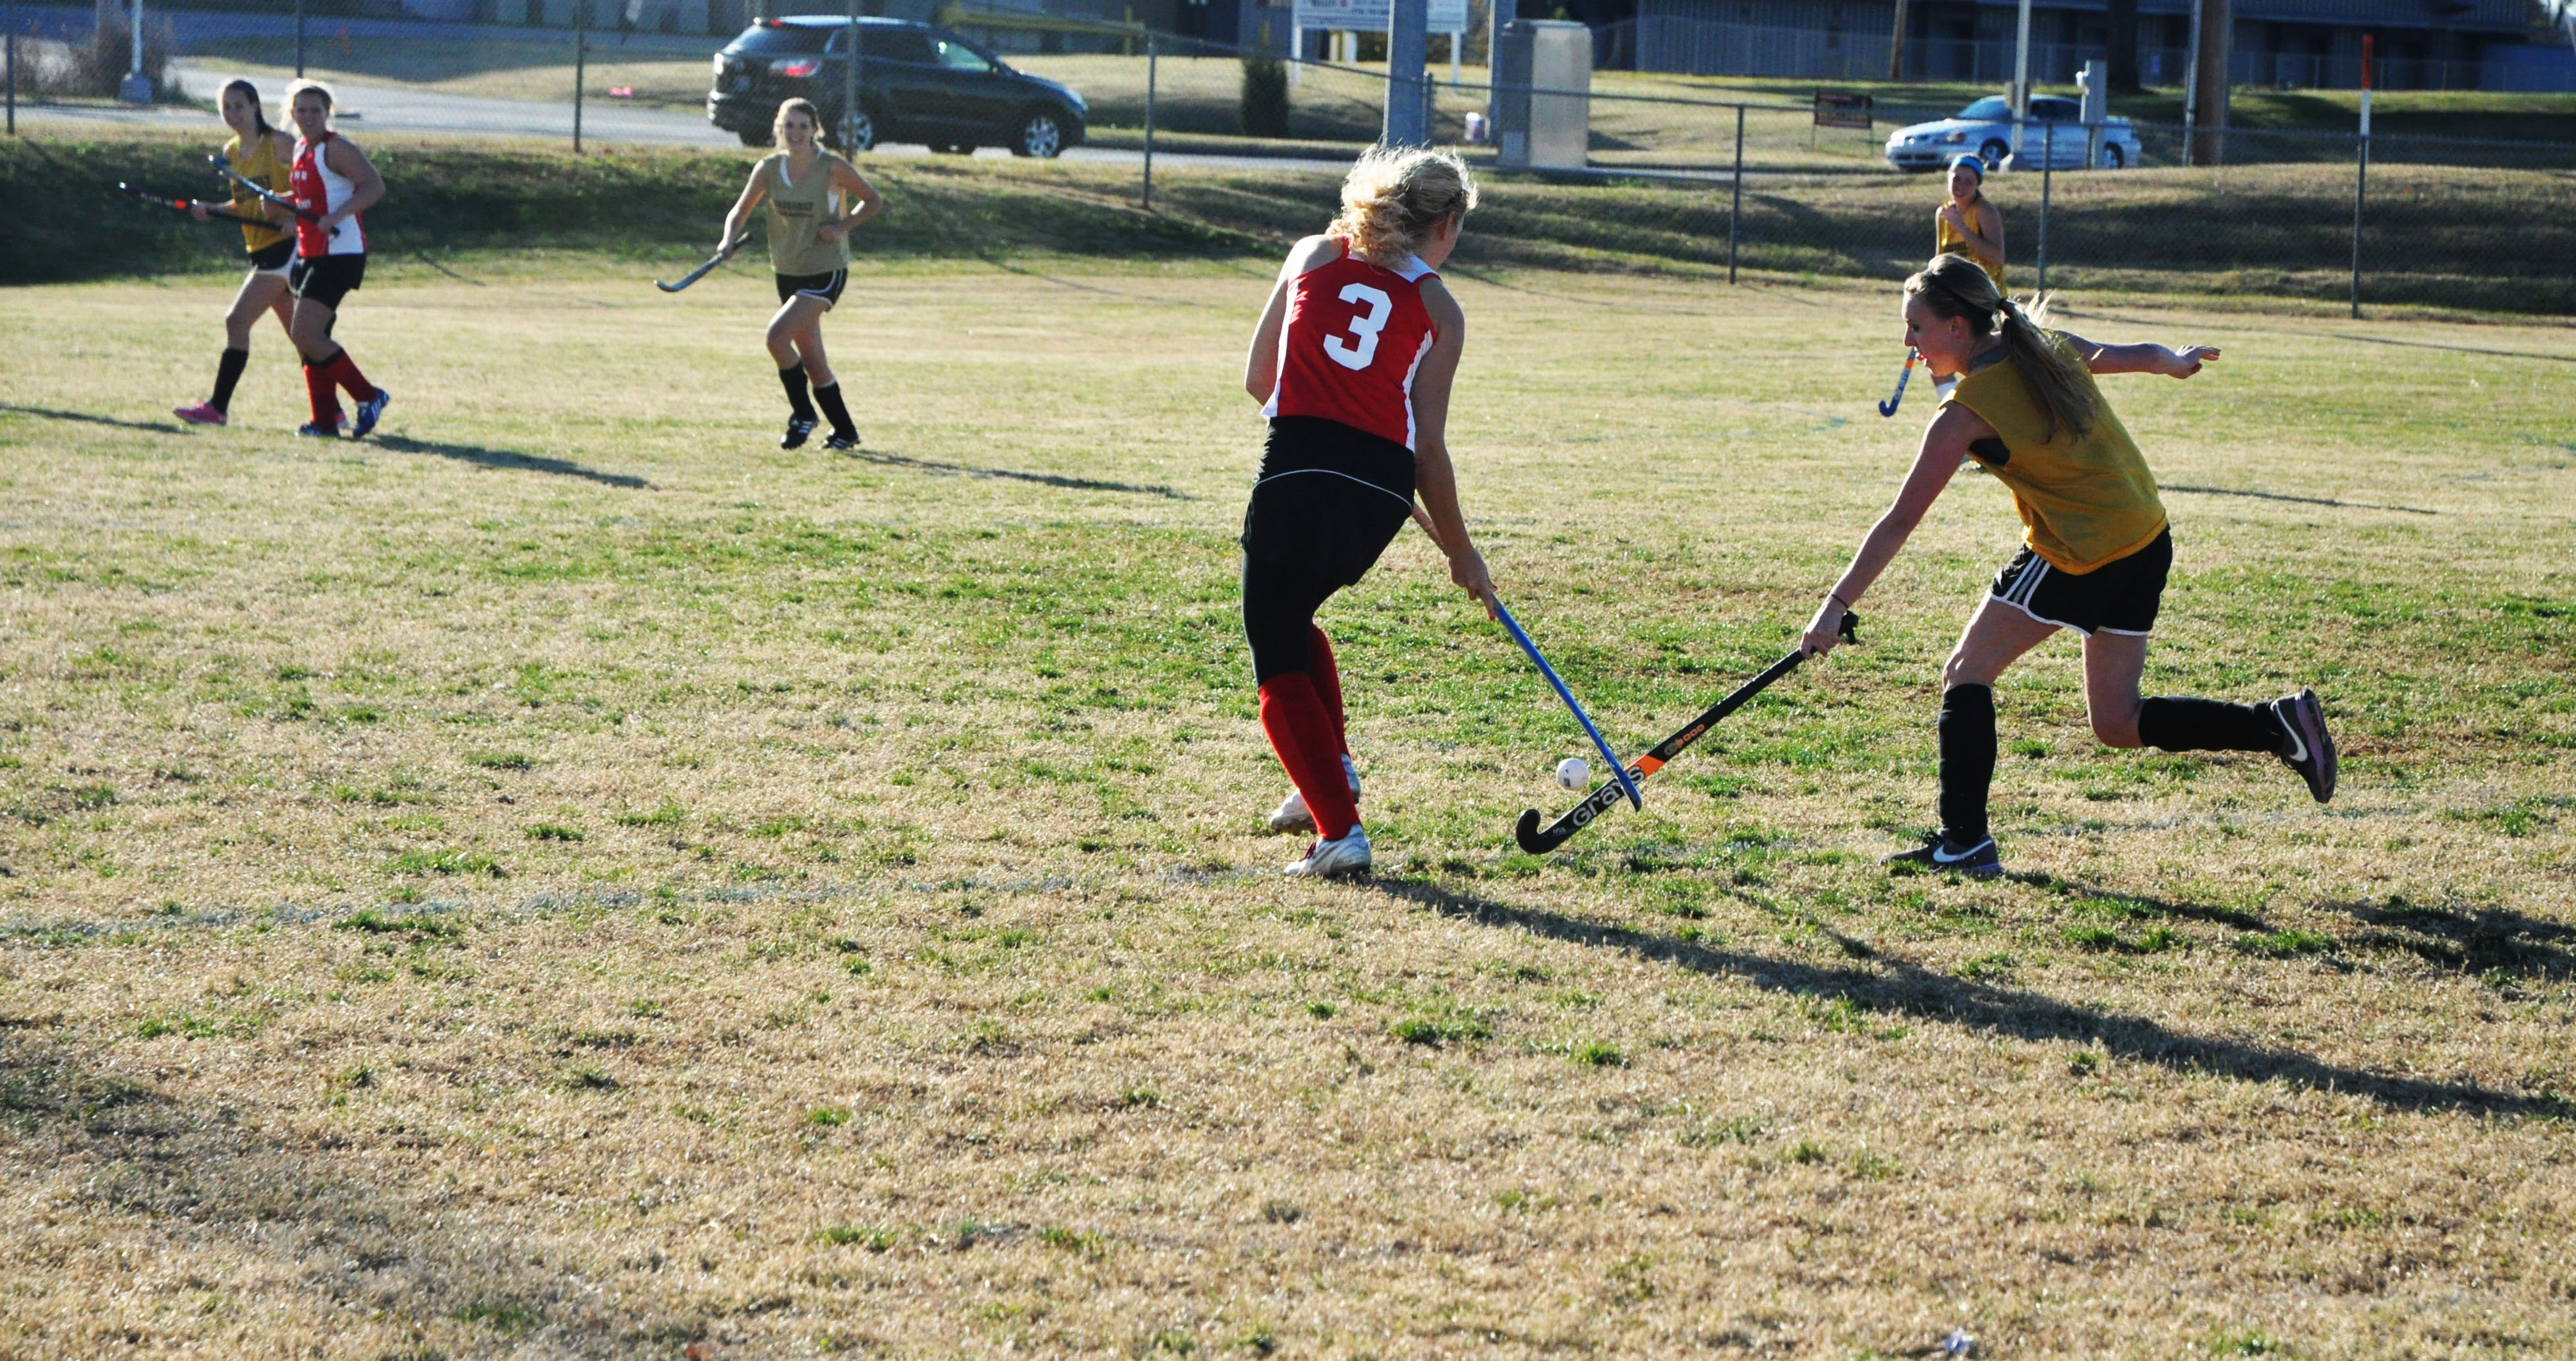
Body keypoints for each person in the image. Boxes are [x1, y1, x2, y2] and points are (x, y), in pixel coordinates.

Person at [1798, 254, 2335, 878]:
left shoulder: (1966, 412)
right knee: (2117, 722)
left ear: (1954, 327)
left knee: (1967, 672)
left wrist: (1834, 607)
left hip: (2084, 554)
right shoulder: (2041, 343)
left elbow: (1899, 520)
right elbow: (2127, 355)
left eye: (1915, 326)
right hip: (2144, 535)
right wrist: (2172, 359)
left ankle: (1964, 840)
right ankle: (2278, 727)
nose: (1908, 342)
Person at [1239, 147, 1494, 880]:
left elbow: (1259, 380)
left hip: (1297, 468)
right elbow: (1429, 452)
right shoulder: (1441, 307)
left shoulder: (1312, 254)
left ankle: (1338, 831)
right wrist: (1459, 551)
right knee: (1294, 616)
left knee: (1274, 642)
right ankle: (1329, 774)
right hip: (1381, 489)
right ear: (1443, 225)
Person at [718, 97, 883, 451]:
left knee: (777, 337)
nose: (796, 133)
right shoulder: (768, 168)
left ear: (815, 131)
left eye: (803, 127)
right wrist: (728, 238)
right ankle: (844, 431)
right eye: (789, 126)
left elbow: (872, 200)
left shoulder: (831, 167)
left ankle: (803, 414)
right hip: (788, 271)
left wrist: (842, 227)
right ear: (779, 129)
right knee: (812, 361)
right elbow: (740, 210)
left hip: (826, 270)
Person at [174, 80, 298, 427]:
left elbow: (308, 189)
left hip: (285, 248)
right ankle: (336, 408)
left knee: (236, 320)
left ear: (256, 106)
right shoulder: (230, 153)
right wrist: (213, 209)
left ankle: (217, 408)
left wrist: (293, 220)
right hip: (259, 248)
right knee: (303, 336)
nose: (232, 114)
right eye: (226, 107)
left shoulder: (279, 145)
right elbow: (243, 204)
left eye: (239, 106)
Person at [280, 80, 390, 439]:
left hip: (340, 253)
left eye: (316, 110)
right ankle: (324, 421)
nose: (309, 117)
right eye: (302, 110)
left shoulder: (337, 148)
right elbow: (310, 196)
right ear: (292, 113)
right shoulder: (300, 148)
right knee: (312, 337)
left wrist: (336, 217)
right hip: (310, 251)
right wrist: (283, 204)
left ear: (328, 113)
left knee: (305, 333)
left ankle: (369, 396)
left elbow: (374, 186)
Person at [1935, 154, 2006, 293]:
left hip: (1986, 296)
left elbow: (1997, 258)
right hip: (1957, 296)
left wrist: (1962, 228)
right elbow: (1939, 259)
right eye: (1957, 179)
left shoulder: (1984, 211)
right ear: (1949, 178)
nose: (1961, 186)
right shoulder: (1943, 213)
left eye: (1968, 182)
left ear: (1977, 185)